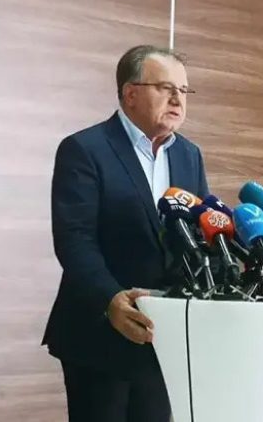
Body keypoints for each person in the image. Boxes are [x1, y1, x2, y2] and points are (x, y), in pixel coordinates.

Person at [43, 45, 209, 422]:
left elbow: (197, 236)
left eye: (183, 90)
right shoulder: (85, 149)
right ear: (130, 93)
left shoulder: (189, 155)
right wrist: (110, 299)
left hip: (162, 333)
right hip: (99, 333)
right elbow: (75, 239)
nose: (177, 99)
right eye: (166, 88)